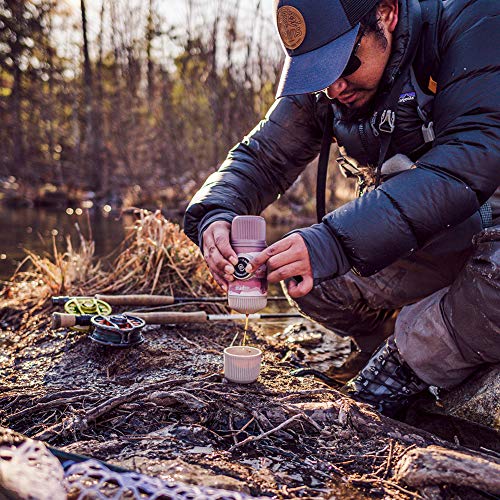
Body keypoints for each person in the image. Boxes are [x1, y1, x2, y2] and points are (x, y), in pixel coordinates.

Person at [184, 0, 500, 415]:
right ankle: (402, 341)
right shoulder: (329, 81)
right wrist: (215, 212)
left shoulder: (476, 22)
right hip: (437, 231)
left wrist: (333, 241)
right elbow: (264, 157)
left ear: (386, 14)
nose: (334, 87)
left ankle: (409, 362)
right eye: (318, 72)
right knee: (308, 278)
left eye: (344, 63)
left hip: (489, 228)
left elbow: (473, 155)